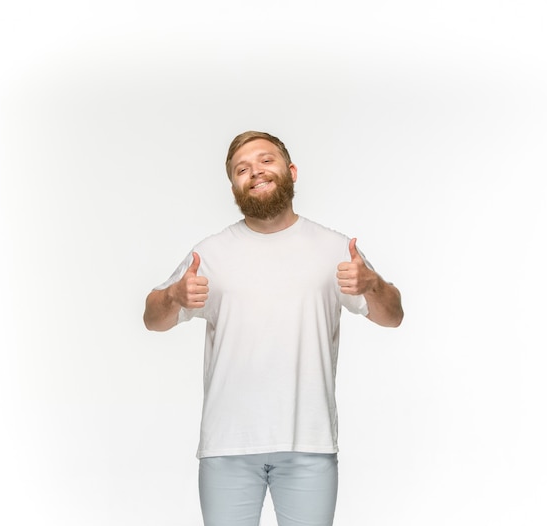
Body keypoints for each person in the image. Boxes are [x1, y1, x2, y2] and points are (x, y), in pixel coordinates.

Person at [143, 131, 403, 526]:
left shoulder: (334, 248)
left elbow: (392, 315)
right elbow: (152, 319)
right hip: (227, 446)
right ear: (233, 186)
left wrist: (373, 285)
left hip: (309, 446)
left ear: (291, 171)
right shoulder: (209, 254)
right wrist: (175, 296)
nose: (255, 172)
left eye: (266, 161)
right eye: (241, 169)